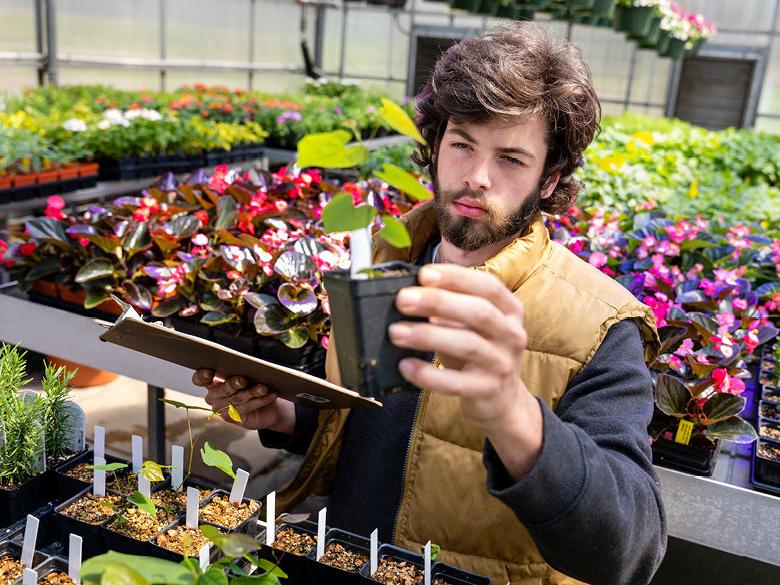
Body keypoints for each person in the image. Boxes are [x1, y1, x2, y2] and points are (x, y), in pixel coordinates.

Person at [194, 22, 667, 585]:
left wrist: (513, 413)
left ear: (549, 180)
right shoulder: (382, 266)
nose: (477, 178)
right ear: (436, 146)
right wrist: (289, 419)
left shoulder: (599, 324)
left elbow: (629, 551)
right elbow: (378, 432)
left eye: (512, 159)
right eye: (462, 144)